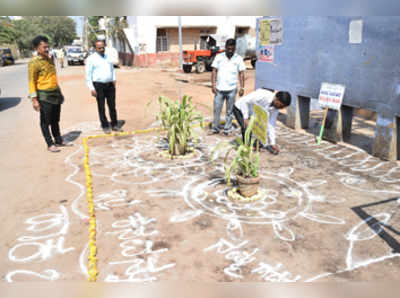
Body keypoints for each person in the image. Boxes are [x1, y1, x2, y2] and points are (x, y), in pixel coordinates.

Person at [28, 35, 69, 153]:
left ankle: (58, 140)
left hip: (55, 93)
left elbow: (53, 78)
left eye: (47, 47)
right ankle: (49, 143)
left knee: (55, 119)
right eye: (44, 47)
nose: (46, 49)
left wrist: (59, 92)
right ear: (37, 48)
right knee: (45, 121)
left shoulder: (50, 59)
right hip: (44, 95)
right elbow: (31, 82)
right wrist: (34, 100)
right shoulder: (34, 63)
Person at [233, 88, 291, 155]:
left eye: (283, 107)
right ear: (277, 99)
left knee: (257, 129)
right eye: (281, 105)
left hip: (251, 113)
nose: (281, 108)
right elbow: (245, 101)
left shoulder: (275, 108)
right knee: (246, 127)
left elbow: (271, 124)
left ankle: (250, 145)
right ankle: (245, 148)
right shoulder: (263, 95)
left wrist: (273, 143)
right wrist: (245, 118)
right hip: (240, 108)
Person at [210, 38, 246, 135]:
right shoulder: (219, 57)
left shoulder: (238, 58)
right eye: (228, 48)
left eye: (232, 49)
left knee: (230, 111)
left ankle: (227, 129)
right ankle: (215, 128)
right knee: (217, 110)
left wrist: (242, 87)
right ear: (225, 47)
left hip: (232, 90)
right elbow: (214, 71)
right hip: (219, 89)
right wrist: (213, 85)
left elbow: (241, 73)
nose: (230, 50)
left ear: (235, 48)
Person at [85, 40, 122, 133]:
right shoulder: (91, 59)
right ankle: (105, 126)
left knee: (112, 106)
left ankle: (114, 125)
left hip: (110, 85)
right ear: (95, 49)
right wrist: (91, 88)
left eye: (103, 47)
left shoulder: (107, 57)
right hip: (98, 85)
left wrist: (113, 79)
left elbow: (111, 69)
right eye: (99, 48)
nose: (102, 49)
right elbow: (88, 75)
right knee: (101, 107)